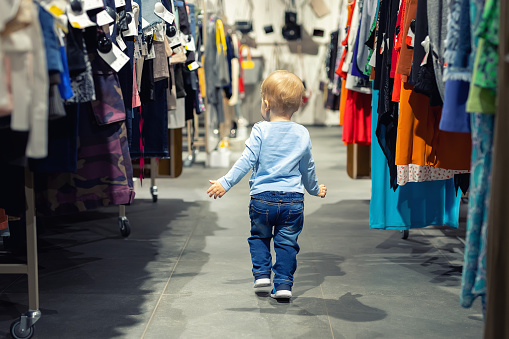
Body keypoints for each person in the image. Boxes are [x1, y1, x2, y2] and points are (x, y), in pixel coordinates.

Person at [206, 70, 327, 299]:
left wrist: (225, 183)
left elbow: (246, 161)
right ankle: (283, 285)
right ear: (298, 106)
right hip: (293, 202)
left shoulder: (260, 130)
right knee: (287, 243)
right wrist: (314, 189)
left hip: (262, 199)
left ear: (266, 103)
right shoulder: (302, 133)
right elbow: (307, 168)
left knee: (259, 237)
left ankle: (261, 274)